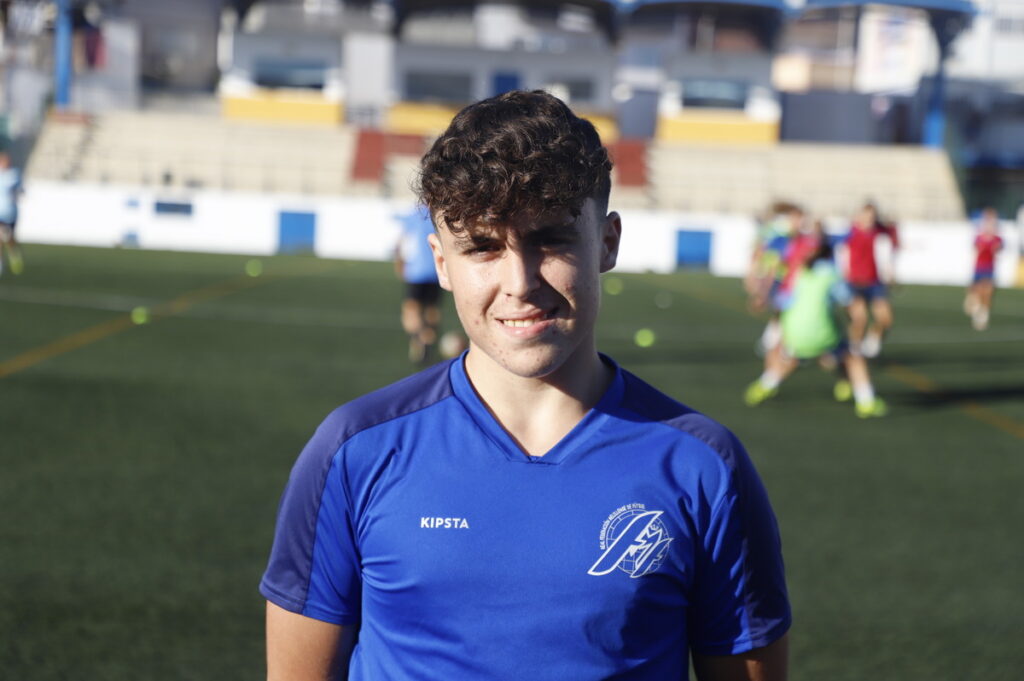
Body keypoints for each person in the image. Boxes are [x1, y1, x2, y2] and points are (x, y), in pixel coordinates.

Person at [261, 91, 790, 681]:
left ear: (607, 242)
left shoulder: (703, 466)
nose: (520, 282)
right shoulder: (354, 450)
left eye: (551, 240)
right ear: (441, 262)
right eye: (483, 247)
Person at [744, 224, 887, 418]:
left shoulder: (799, 274)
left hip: (794, 330)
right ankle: (866, 401)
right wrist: (856, 325)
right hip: (822, 332)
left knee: (791, 359)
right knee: (852, 357)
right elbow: (853, 306)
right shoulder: (831, 275)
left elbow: (783, 302)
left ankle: (763, 386)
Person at [838, 203, 898, 358]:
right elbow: (840, 253)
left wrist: (889, 273)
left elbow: (891, 246)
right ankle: (854, 351)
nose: (869, 219)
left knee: (886, 320)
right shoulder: (850, 233)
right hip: (854, 283)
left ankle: (872, 342)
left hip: (874, 283)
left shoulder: (880, 233)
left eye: (872, 216)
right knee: (860, 320)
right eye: (866, 215)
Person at [395, 207, 442, 363]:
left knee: (411, 308)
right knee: (431, 308)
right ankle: (429, 338)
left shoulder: (415, 214)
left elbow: (402, 240)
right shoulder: (441, 213)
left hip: (416, 271)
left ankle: (417, 338)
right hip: (436, 269)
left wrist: (399, 261)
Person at [963, 207, 1003, 331]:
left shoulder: (997, 238)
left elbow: (999, 248)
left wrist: (995, 247)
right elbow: (976, 248)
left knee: (988, 292)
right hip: (979, 267)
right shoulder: (979, 237)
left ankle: (982, 315)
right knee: (977, 290)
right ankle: (973, 300)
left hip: (990, 268)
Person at [0, 151, 24, 276]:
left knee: (9, 238)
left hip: (10, 211)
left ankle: (14, 254)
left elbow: (20, 191)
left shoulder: (14, 174)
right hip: (0, 211)